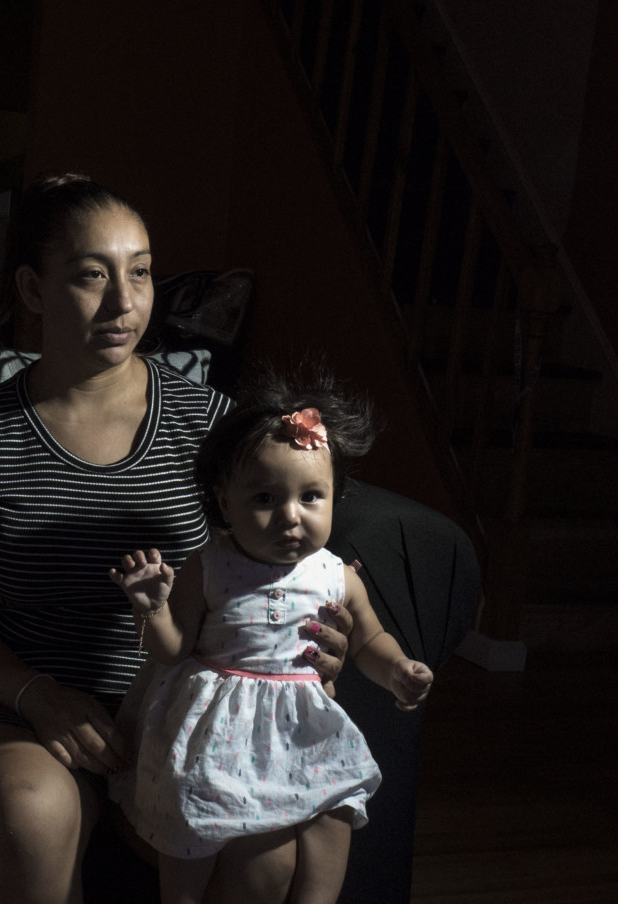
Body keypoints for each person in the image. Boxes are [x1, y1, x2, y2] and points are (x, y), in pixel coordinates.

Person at [0, 174, 353, 904]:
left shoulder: (213, 425)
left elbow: (278, 563)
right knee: (35, 820)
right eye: (92, 275)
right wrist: (41, 697)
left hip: (184, 702)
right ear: (32, 288)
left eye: (141, 272)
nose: (124, 302)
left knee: (261, 860)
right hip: (14, 705)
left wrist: (317, 646)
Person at [107, 368, 434, 904]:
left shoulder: (337, 576)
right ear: (225, 502)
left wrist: (398, 668)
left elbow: (370, 641)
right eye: (264, 498)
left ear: (335, 498)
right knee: (195, 815)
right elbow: (171, 649)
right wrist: (154, 609)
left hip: (303, 728)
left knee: (335, 804)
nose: (289, 517)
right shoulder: (209, 566)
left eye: (311, 497)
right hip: (219, 733)